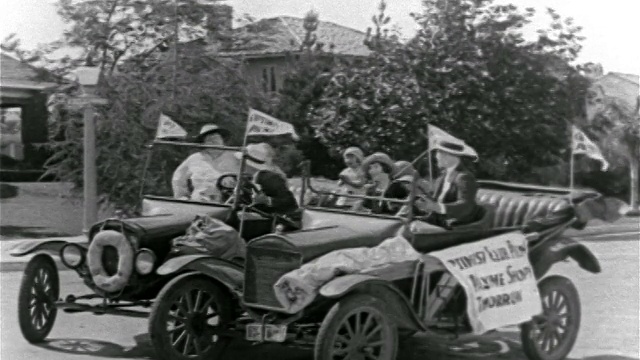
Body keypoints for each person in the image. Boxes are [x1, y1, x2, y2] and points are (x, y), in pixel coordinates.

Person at [415, 140, 482, 228]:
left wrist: (438, 207)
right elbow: (435, 199)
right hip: (436, 221)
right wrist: (420, 198)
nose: (436, 157)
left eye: (439, 153)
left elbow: (466, 206)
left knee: (411, 229)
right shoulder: (443, 176)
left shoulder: (464, 177)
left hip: (453, 226)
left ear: (449, 156)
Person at [234, 143, 301, 230]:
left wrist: (267, 200)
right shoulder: (243, 177)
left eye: (243, 162)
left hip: (270, 219)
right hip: (248, 213)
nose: (240, 164)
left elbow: (290, 202)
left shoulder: (271, 178)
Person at [171, 124, 240, 202]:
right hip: (199, 202)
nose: (213, 141)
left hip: (227, 204)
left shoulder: (236, 156)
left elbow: (254, 174)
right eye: (209, 139)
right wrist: (182, 197)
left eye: (216, 138)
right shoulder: (194, 158)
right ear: (203, 143)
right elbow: (178, 178)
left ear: (222, 140)